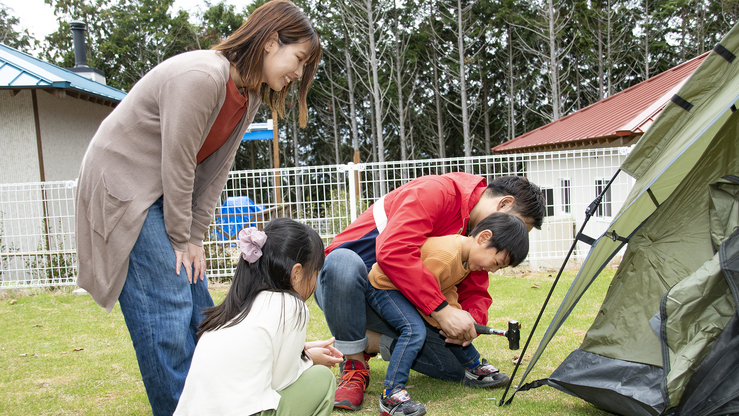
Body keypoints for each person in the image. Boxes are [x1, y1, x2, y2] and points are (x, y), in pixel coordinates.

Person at [74, 1, 321, 414]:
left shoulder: (250, 93)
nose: (298, 73)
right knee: (167, 305)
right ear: (271, 41)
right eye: (298, 59)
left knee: (199, 306)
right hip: (124, 186)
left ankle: (212, 405)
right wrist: (179, 237)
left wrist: (193, 237)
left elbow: (215, 170)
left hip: (162, 192)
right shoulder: (203, 75)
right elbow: (177, 161)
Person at [314, 172, 546, 411]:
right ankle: (354, 366)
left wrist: (467, 325)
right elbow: (394, 252)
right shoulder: (437, 192)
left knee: (454, 366)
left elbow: (475, 291)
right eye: (516, 224)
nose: (513, 233)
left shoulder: (475, 237)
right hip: (348, 287)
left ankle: (369, 342)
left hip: (400, 301)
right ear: (504, 203)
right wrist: (442, 311)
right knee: (343, 262)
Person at [365, 212, 530, 416]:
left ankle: (474, 366)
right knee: (414, 330)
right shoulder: (446, 256)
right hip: (385, 286)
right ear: (483, 237)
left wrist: (455, 314)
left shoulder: (464, 259)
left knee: (451, 322)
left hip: (409, 291)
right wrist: (446, 320)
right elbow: (423, 296)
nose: (494, 270)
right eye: (497, 263)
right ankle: (391, 393)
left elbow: (442, 288)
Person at [174, 219, 342, 416]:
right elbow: (282, 381)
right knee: (322, 378)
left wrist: (302, 349)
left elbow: (249, 354)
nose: (315, 281)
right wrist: (309, 360)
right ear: (296, 273)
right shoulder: (292, 305)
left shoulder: (236, 305)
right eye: (315, 272)